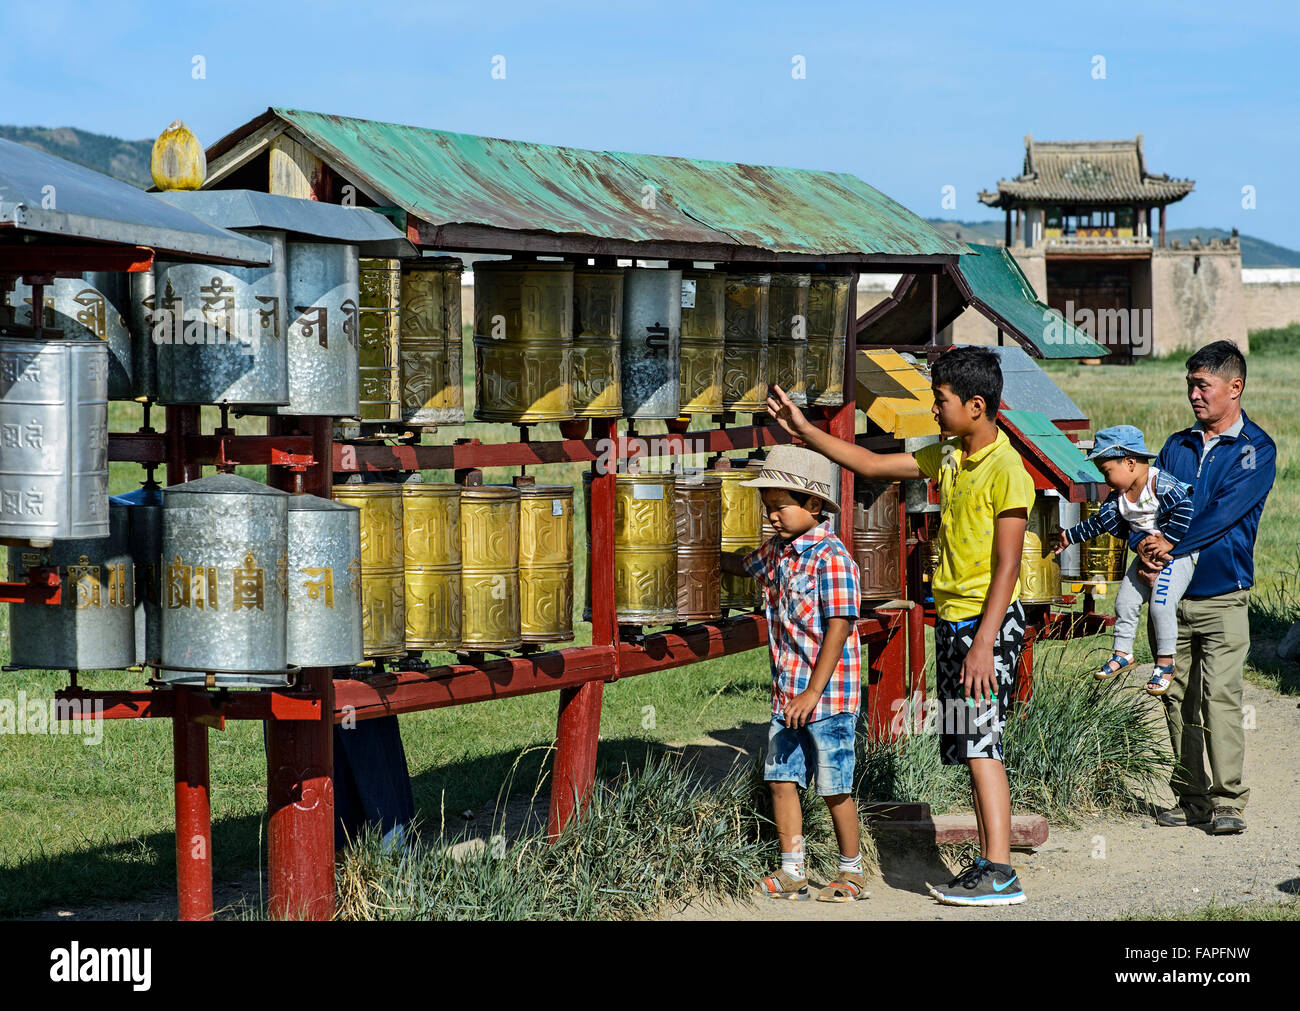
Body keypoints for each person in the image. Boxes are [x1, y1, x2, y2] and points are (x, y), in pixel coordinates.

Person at [766, 346, 1032, 906]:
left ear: (976, 406)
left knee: (983, 746)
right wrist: (804, 430)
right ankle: (988, 864)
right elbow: (869, 464)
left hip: (987, 627)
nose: (935, 410)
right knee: (965, 744)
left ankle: (1001, 871)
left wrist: (984, 642)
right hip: (957, 624)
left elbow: (1008, 564)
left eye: (942, 401)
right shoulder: (953, 456)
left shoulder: (1009, 470)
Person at [1133, 341, 1275, 836]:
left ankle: (1229, 800)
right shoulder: (1176, 445)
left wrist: (1168, 545)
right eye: (1189, 384)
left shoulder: (1255, 450)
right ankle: (1191, 797)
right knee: (1175, 696)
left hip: (1222, 595)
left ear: (1234, 387)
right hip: (1170, 599)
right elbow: (1152, 508)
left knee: (1220, 696)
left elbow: (1220, 514)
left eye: (1203, 385)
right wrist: (1144, 549)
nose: (1194, 394)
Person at [718, 444, 866, 902]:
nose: (772, 518)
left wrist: (812, 692)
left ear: (814, 504)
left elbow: (839, 627)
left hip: (826, 698)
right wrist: (693, 551)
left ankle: (852, 870)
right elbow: (743, 566)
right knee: (782, 779)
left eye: (779, 507)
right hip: (788, 695)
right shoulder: (777, 554)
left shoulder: (832, 558)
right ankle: (792, 870)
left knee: (833, 786)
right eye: (768, 509)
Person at [1053, 425, 1195, 695]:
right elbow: (1098, 524)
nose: (1105, 480)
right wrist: (1069, 536)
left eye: (1107, 472)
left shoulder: (1160, 484)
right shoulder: (1117, 499)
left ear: (1129, 462)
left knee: (1160, 606)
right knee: (1124, 602)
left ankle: (1165, 664)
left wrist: (1168, 542)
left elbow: (1186, 508)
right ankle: (1123, 653)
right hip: (1147, 556)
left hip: (1177, 555)